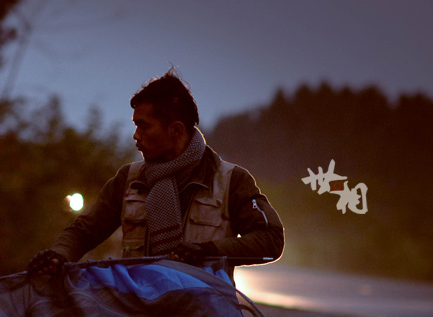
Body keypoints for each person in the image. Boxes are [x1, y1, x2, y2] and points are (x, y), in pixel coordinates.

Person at [27, 69, 283, 282]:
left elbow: (270, 240)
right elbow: (84, 231)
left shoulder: (231, 181)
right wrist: (58, 255)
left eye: (143, 126)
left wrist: (209, 251)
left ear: (176, 129)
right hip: (137, 312)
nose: (135, 136)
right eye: (134, 125)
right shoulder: (128, 179)